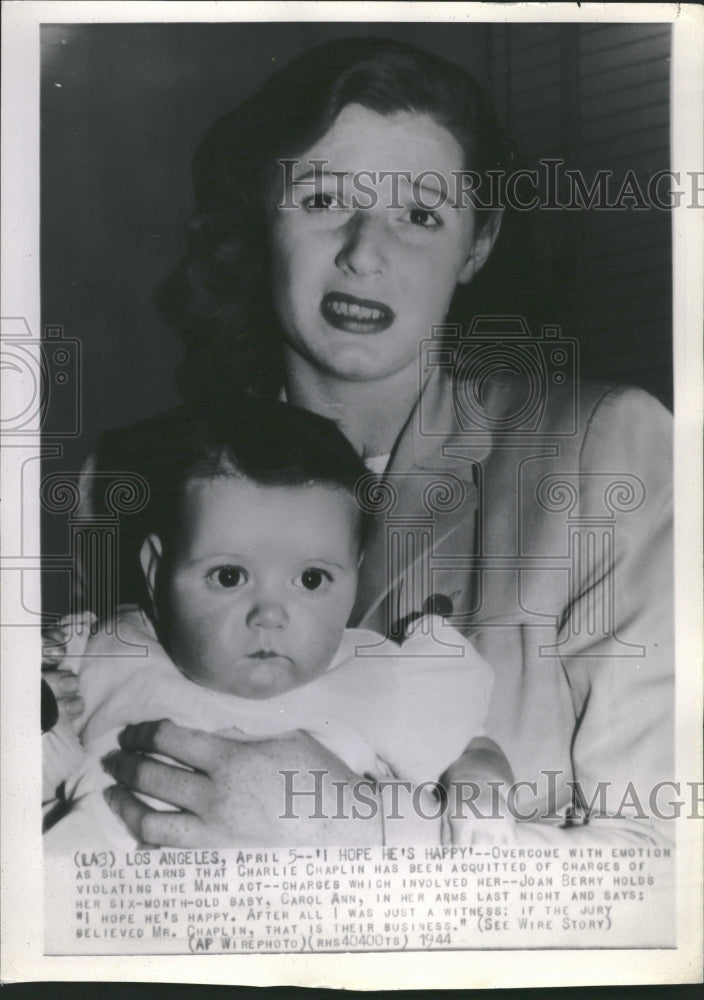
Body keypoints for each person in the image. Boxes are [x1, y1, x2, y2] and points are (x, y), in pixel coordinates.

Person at [44, 37, 673, 847]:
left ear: (476, 245)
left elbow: (662, 877)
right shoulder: (130, 478)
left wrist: (359, 834)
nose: (365, 254)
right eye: (321, 200)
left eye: (420, 214)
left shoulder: (605, 451)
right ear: (257, 217)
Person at [44, 400, 504, 849]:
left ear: (355, 575)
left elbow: (470, 746)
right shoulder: (102, 648)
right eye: (229, 577)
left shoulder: (381, 677)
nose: (269, 614)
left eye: (310, 579)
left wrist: (479, 787)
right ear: (156, 573)